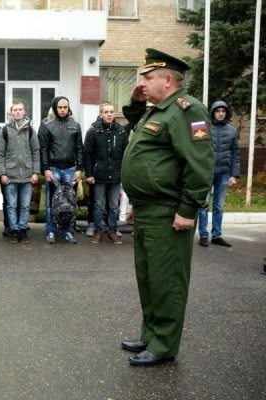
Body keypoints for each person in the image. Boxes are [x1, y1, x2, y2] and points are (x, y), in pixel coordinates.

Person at [120, 48, 214, 366]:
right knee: (147, 278)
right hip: (148, 209)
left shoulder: (186, 110)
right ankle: (150, 334)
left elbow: (200, 165)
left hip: (168, 212)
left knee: (167, 280)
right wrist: (135, 102)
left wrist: (188, 210)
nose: (142, 82)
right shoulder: (158, 110)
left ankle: (164, 345)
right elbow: (137, 132)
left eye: (148, 78)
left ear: (169, 80)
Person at [38, 96, 83, 244]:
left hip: (70, 169)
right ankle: (50, 230)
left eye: (65, 107)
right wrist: (45, 169)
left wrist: (79, 168)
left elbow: (79, 148)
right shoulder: (47, 125)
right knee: (52, 202)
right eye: (60, 107)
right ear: (55, 108)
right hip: (53, 169)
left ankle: (66, 231)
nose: (63, 110)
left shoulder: (75, 126)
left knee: (68, 202)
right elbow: (43, 149)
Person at [83, 102, 128, 245]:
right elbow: (87, 154)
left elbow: (125, 154)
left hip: (115, 175)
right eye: (106, 112)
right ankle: (98, 231)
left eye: (111, 112)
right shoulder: (93, 131)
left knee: (114, 205)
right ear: (101, 114)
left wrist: (123, 172)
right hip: (98, 175)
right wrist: (89, 174)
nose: (109, 114)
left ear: (115, 114)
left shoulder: (121, 131)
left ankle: (112, 231)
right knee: (98, 205)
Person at [198, 100, 240, 248]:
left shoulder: (232, 131)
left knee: (219, 206)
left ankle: (217, 235)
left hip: (223, 173)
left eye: (223, 111)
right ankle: (203, 235)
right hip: (206, 173)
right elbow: (197, 149)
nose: (220, 113)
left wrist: (234, 175)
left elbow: (235, 154)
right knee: (203, 205)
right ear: (213, 112)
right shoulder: (204, 128)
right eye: (217, 111)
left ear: (226, 113)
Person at [0, 101, 40, 244]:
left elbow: (35, 152)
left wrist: (35, 172)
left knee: (25, 204)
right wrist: (2, 173)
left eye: (20, 109)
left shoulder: (30, 131)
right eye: (15, 110)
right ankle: (14, 230)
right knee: (11, 204)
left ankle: (23, 229)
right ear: (11, 113)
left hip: (27, 174)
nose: (17, 112)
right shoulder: (4, 131)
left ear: (24, 112)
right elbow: (0, 154)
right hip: (10, 175)